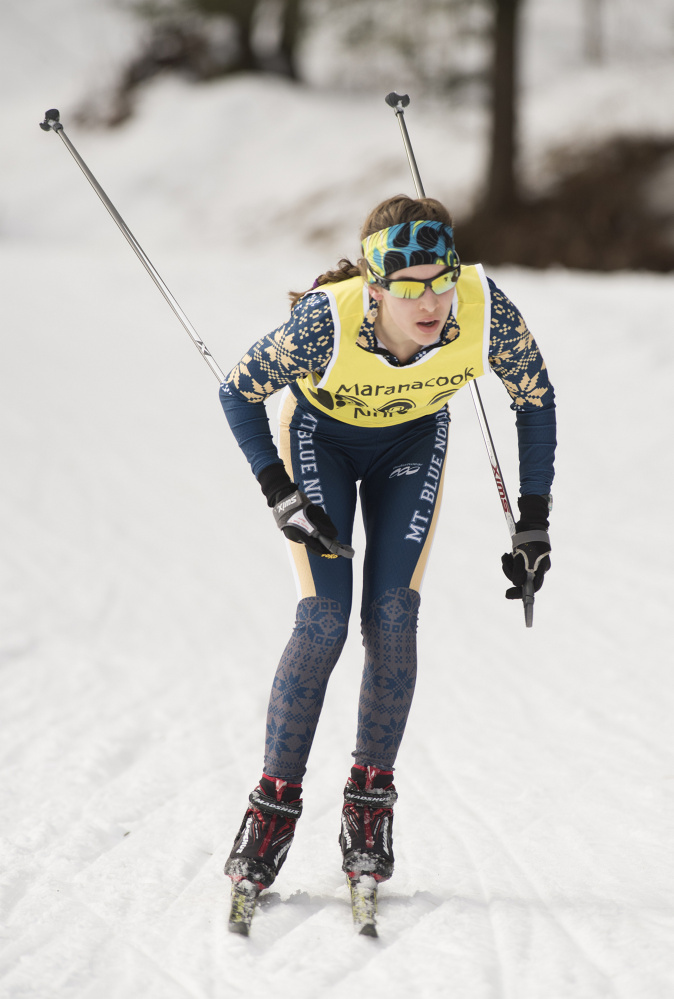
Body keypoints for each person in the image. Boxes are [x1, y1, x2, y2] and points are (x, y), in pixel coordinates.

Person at [219, 194, 556, 893]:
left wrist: (532, 521)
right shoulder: (323, 323)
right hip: (321, 443)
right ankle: (272, 809)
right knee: (325, 620)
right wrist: (280, 492)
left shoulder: (483, 307)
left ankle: (369, 806)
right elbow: (236, 391)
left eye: (441, 278)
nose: (431, 300)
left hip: (412, 442)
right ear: (374, 288)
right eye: (408, 286)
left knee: (393, 616)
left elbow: (534, 396)